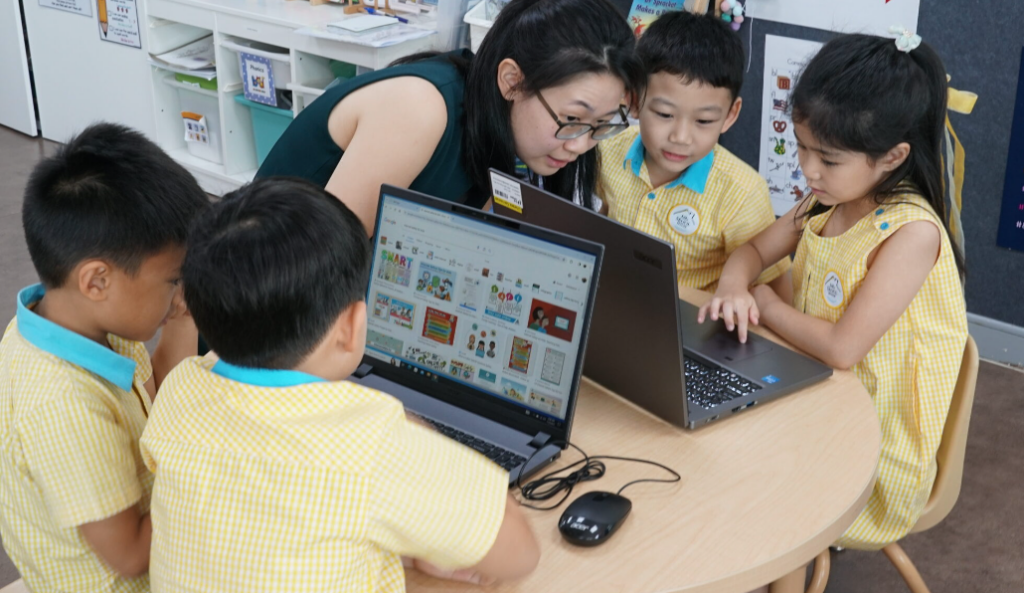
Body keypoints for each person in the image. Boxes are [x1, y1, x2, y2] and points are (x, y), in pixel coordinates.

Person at [141, 178, 539, 591]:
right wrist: (404, 425)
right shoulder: (368, 440)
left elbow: (266, 515)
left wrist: (404, 543)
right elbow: (520, 550)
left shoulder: (181, 390)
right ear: (351, 327)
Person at [699, 31, 968, 550]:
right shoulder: (823, 201)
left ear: (892, 157)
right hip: (815, 390)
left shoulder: (911, 233)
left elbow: (844, 348)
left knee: (745, 486)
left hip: (872, 442)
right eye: (801, 146)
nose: (806, 169)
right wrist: (735, 284)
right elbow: (752, 253)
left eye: (828, 158)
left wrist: (767, 303)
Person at [0, 123, 208, 592]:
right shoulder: (62, 406)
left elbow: (154, 400)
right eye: (173, 281)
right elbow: (132, 555)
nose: (180, 294)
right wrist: (205, 467)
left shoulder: (71, 320)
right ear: (96, 281)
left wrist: (183, 312)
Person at [256, 0, 644, 233]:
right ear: (512, 81)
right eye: (572, 119)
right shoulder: (419, 108)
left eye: (601, 126)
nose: (579, 144)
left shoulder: (504, 127)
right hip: (258, 309)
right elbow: (327, 264)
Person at [598, 11, 791, 297]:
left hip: (692, 328)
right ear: (635, 100)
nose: (680, 137)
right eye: (664, 114)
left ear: (729, 115)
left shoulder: (742, 193)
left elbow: (775, 283)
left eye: (703, 121)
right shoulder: (607, 149)